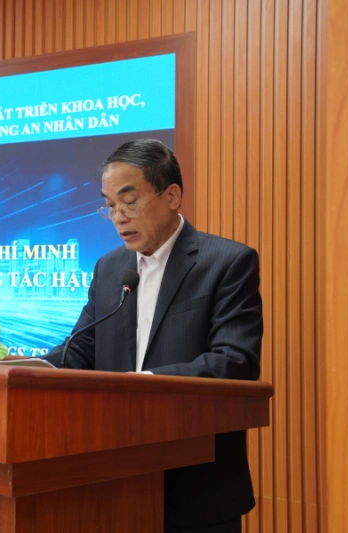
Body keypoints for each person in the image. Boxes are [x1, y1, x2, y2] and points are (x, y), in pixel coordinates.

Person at [43, 139, 263, 533]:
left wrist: (142, 386)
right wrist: (16, 369)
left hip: (197, 487)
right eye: (110, 206)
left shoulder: (227, 262)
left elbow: (235, 361)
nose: (118, 217)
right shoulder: (110, 268)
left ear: (172, 196)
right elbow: (79, 351)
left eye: (129, 202)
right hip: (115, 483)